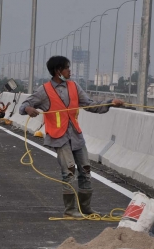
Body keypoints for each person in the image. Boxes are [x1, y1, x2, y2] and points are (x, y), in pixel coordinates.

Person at [19, 56, 124, 218]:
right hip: (58, 136)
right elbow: (24, 105)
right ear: (57, 71)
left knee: (85, 170)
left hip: (75, 135)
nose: (70, 71)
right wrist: (28, 110)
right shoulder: (44, 91)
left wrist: (110, 103)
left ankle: (85, 208)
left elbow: (90, 105)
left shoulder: (74, 86)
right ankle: (70, 210)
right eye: (67, 68)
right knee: (68, 170)